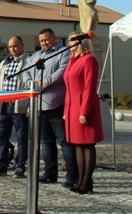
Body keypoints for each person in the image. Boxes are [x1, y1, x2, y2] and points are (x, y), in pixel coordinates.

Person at [31, 27, 78, 187]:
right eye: (41, 41)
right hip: (39, 104)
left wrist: (43, 83)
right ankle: (50, 173)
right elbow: (27, 72)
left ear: (54, 38)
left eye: (46, 40)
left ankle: (73, 176)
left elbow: (62, 72)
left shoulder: (63, 52)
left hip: (57, 103)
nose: (44, 43)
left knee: (64, 142)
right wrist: (32, 84)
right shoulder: (36, 56)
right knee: (46, 142)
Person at [63, 32, 104, 194]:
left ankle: (87, 182)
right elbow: (68, 88)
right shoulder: (72, 61)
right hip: (72, 107)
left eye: (72, 40)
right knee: (78, 145)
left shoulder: (89, 60)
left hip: (84, 107)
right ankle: (80, 180)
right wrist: (67, 110)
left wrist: (84, 111)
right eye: (68, 40)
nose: (69, 43)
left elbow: (89, 87)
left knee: (87, 145)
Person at [0, 36, 30, 179]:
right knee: (1, 136)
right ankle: (1, 164)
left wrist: (30, 106)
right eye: (11, 47)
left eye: (15, 46)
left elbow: (29, 85)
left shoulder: (28, 62)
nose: (13, 49)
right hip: (5, 105)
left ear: (22, 45)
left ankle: (20, 166)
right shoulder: (4, 63)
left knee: (21, 137)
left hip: (19, 106)